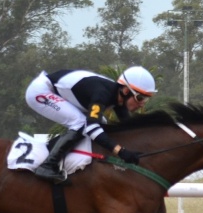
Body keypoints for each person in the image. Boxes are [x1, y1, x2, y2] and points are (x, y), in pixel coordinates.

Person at [25, 66, 157, 183]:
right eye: (140, 98)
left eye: (146, 99)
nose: (142, 104)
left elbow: (129, 129)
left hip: (55, 90)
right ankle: (47, 166)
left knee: (102, 123)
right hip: (41, 91)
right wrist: (120, 151)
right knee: (82, 123)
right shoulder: (102, 94)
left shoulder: (118, 96)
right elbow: (91, 127)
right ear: (126, 91)